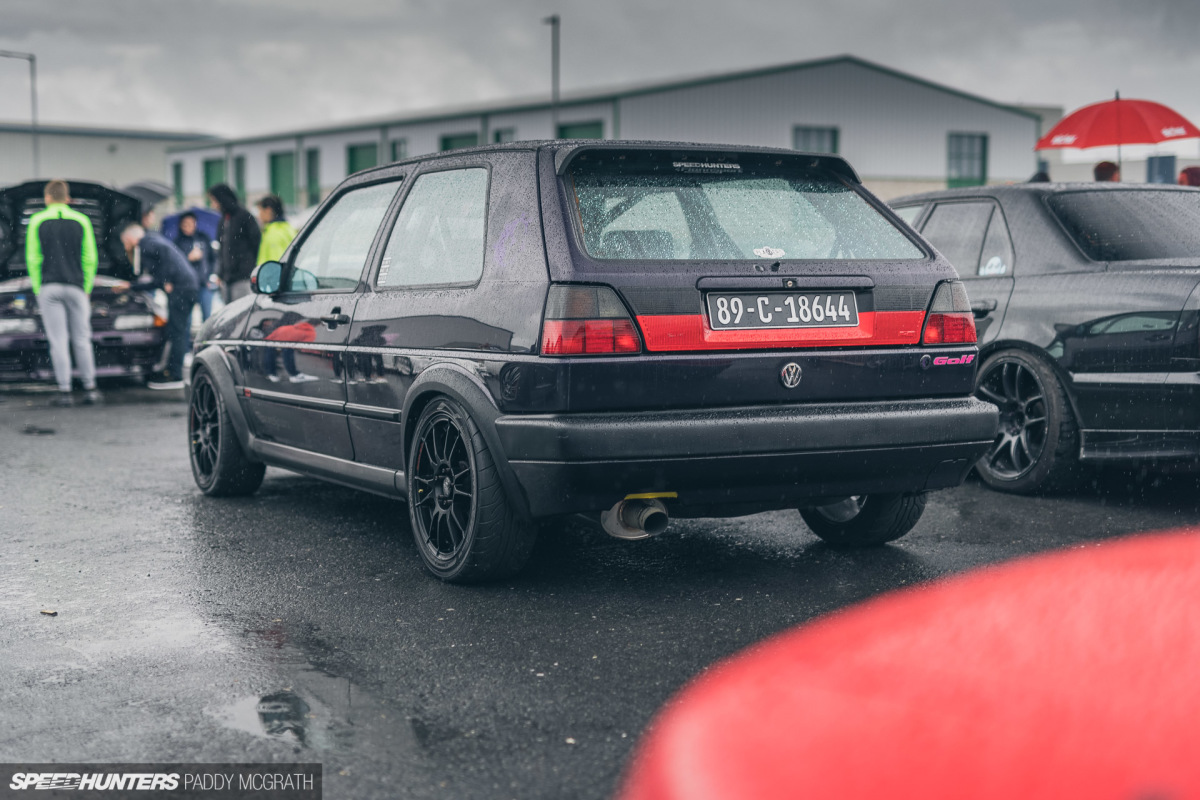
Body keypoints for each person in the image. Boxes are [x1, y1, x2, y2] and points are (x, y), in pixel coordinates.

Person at [25, 179, 102, 406]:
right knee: (82, 338)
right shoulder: (82, 220)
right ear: (67, 198)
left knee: (58, 340)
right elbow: (90, 258)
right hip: (77, 286)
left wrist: (39, 287)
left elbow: (33, 258)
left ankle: (65, 391)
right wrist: (86, 287)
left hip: (49, 286)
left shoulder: (37, 220)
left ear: (47, 198)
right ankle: (90, 388)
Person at [117, 223, 199, 390]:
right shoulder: (152, 240)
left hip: (181, 289)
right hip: (187, 287)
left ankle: (175, 374)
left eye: (124, 242)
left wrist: (166, 279)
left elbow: (164, 256)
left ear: (130, 239)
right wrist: (133, 286)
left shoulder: (146, 243)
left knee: (177, 331)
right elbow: (156, 280)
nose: (125, 246)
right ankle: (170, 369)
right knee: (176, 330)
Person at [208, 183, 260, 304]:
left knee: (241, 313)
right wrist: (220, 273)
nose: (213, 205)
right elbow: (221, 249)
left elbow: (255, 243)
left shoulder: (244, 217)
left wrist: (246, 266)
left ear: (222, 199)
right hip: (227, 279)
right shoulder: (223, 220)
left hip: (242, 278)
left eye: (214, 201)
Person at [173, 212, 218, 320]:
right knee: (186, 318)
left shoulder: (203, 238)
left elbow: (213, 259)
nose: (188, 226)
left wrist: (212, 274)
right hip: (185, 285)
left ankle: (206, 337)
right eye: (185, 224)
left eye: (190, 223)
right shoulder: (177, 242)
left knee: (207, 317)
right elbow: (174, 264)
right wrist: (188, 259)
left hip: (204, 283)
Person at [256, 195, 298, 265]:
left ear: (268, 210)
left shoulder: (274, 234)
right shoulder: (288, 228)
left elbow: (276, 263)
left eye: (260, 211)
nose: (259, 215)